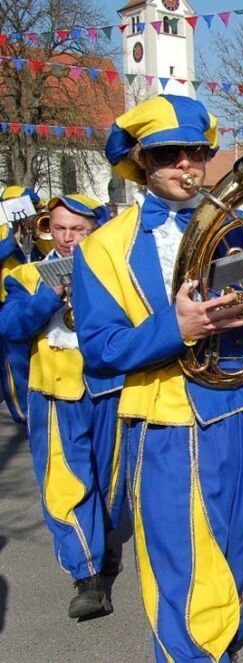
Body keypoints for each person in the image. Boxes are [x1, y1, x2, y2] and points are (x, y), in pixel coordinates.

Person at [72, 94, 243, 662]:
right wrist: (174, 327)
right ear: (143, 162)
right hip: (172, 425)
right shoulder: (104, 246)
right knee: (186, 586)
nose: (186, 166)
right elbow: (99, 351)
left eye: (196, 153)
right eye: (169, 154)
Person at [0, 194, 124, 619]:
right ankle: (86, 575)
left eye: (79, 230)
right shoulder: (26, 275)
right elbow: (10, 327)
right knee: (64, 485)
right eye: (61, 228)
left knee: (111, 481)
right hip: (53, 393)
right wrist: (50, 297)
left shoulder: (114, 271)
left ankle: (102, 540)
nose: (69, 239)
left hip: (108, 389)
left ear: (95, 231)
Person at [0, 185, 47, 425]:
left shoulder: (38, 227)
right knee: (13, 365)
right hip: (5, 304)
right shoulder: (2, 233)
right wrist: (12, 240)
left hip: (35, 301)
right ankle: (22, 413)